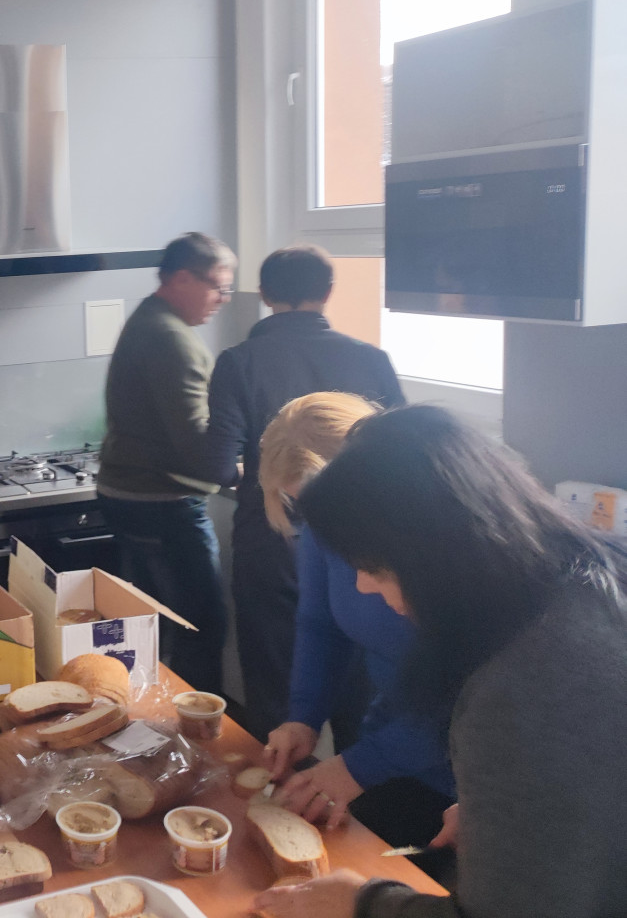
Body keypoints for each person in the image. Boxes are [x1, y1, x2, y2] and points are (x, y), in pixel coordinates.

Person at [252, 406, 627, 918]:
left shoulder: (519, 690)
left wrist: (359, 904)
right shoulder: (575, 585)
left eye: (374, 569)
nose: (361, 586)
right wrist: (491, 809)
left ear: (430, 554)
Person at [204, 244, 403, 738]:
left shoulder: (238, 362)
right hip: (363, 550)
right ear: (328, 291)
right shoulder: (372, 359)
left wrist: (269, 474)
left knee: (274, 691)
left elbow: (217, 466)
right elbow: (399, 456)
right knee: (361, 694)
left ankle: (277, 779)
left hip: (271, 545)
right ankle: (352, 782)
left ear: (264, 293)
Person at [257, 394, 454, 875]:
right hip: (393, 746)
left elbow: (458, 696)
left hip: (465, 770)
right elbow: (320, 625)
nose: (362, 583)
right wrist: (304, 718)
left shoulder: (445, 547)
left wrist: (360, 766)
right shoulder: (325, 527)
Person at [98, 231, 237, 693]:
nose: (223, 299)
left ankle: (153, 717)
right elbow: (196, 443)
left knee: (156, 625)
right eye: (218, 286)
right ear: (181, 279)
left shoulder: (149, 318)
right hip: (161, 502)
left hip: (130, 494)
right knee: (203, 625)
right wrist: (238, 471)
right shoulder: (172, 339)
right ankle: (196, 727)